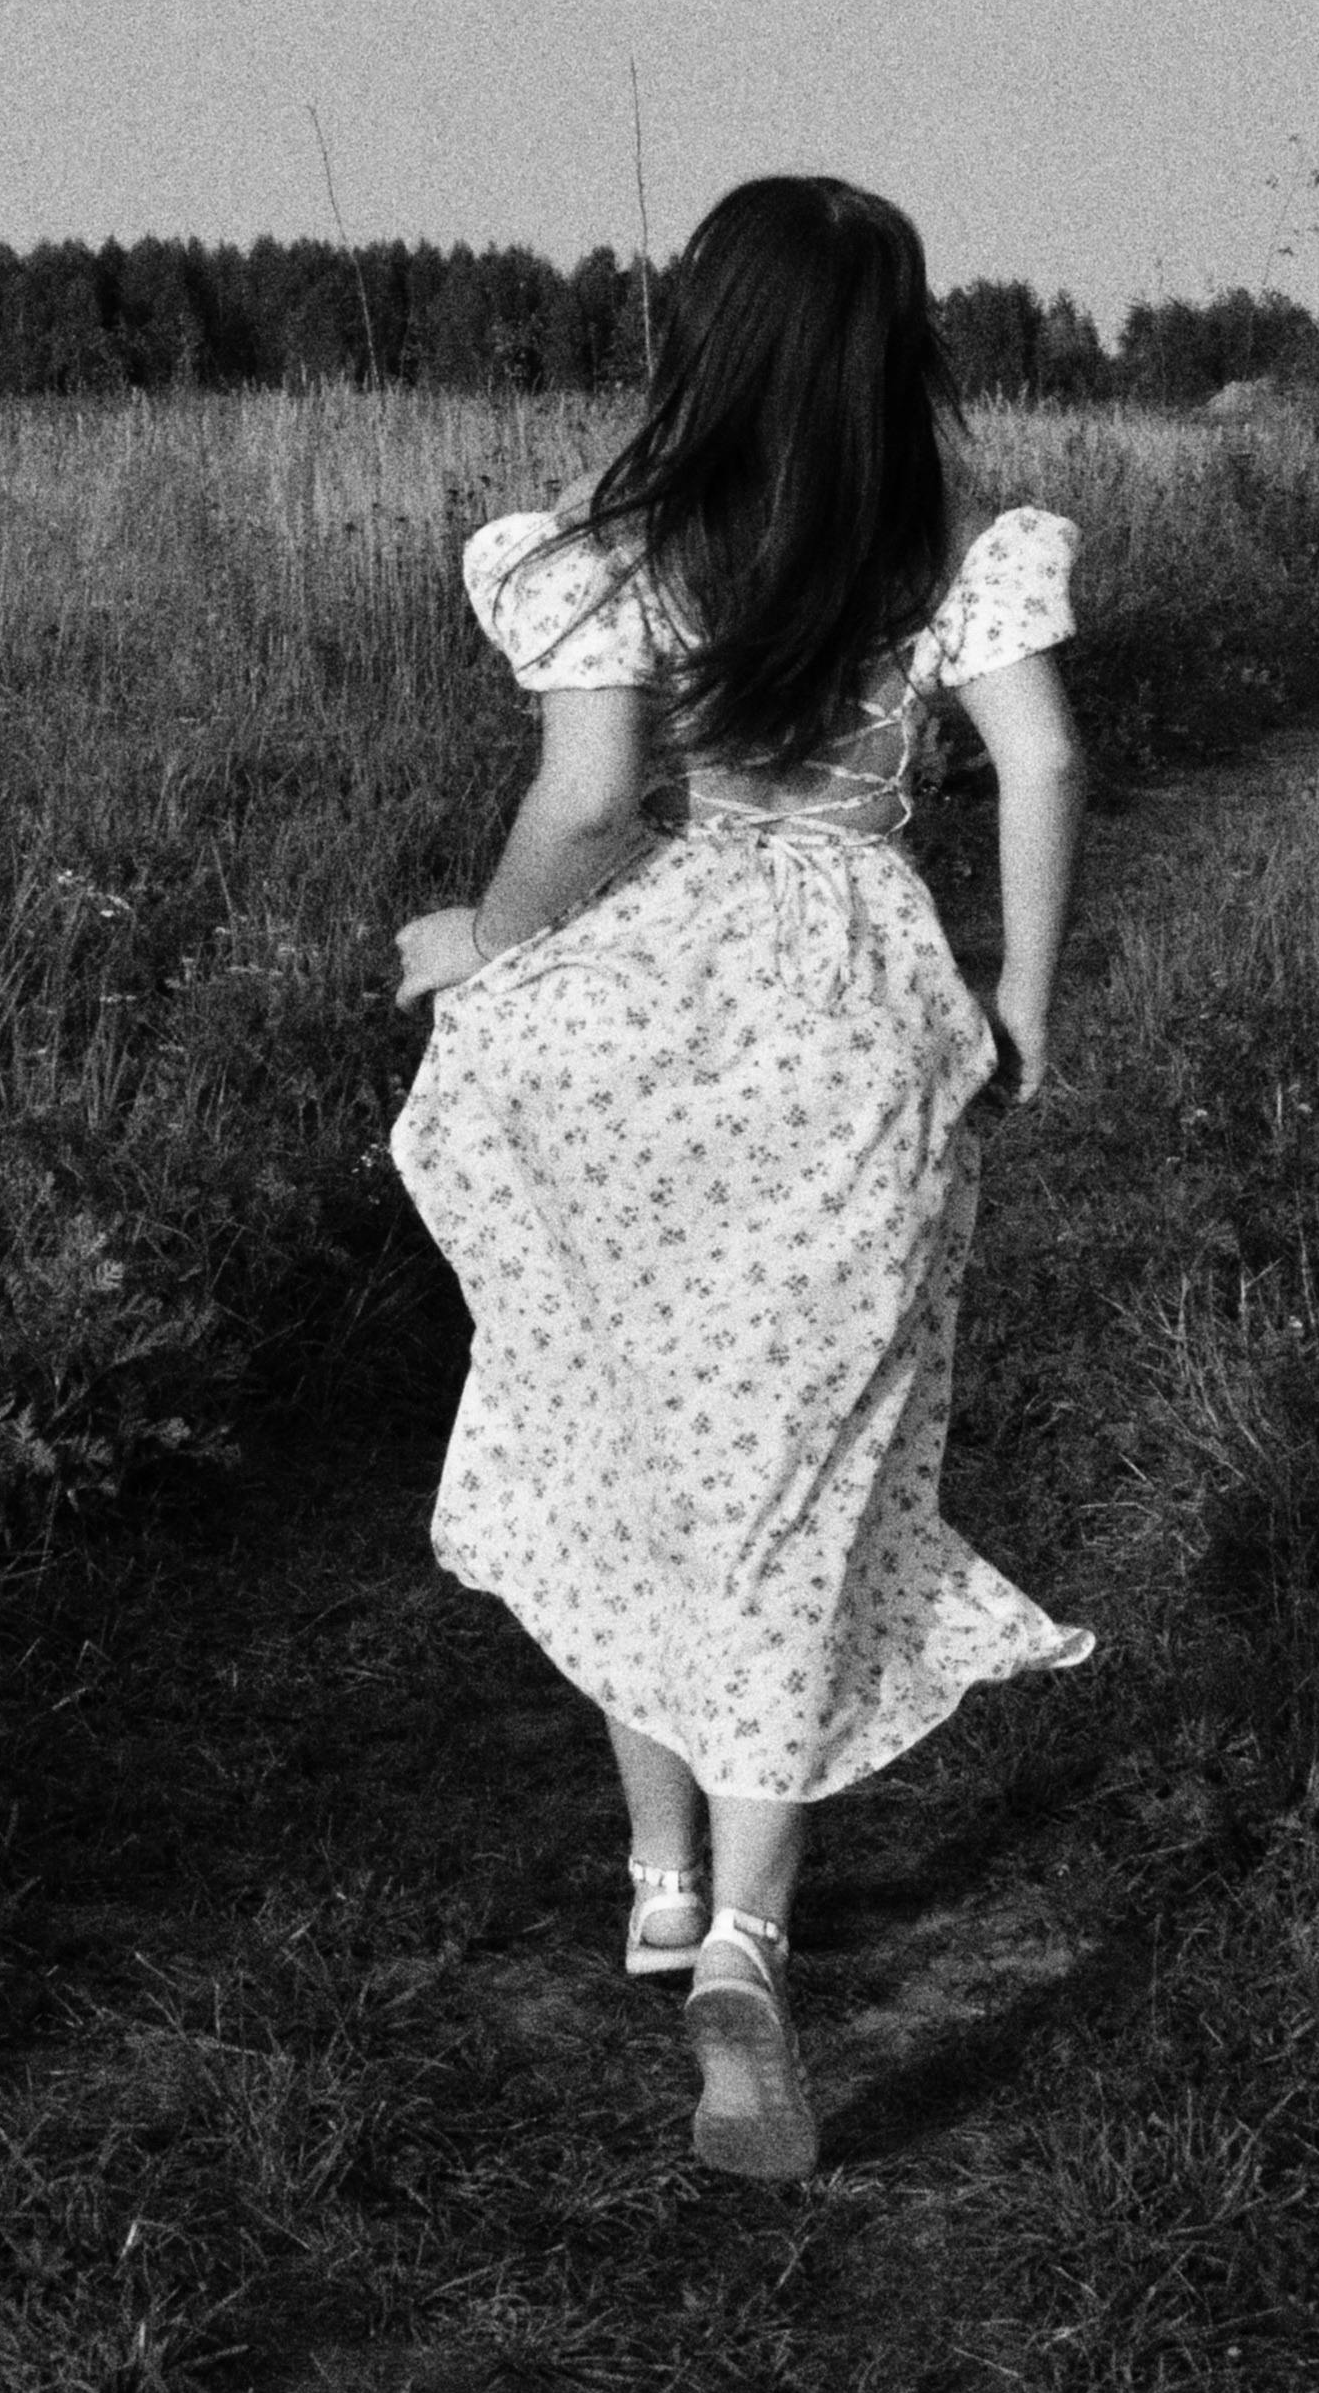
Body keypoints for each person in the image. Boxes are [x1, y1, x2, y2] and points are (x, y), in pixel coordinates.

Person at [389, 173, 1094, 2185]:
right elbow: (1038, 763)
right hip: (862, 1019)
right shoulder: (944, 543)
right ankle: (761, 1949)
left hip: (659, 1011)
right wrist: (1023, 1002)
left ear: (705, 336)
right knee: (809, 1476)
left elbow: (593, 800)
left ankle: (660, 1874)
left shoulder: (632, 546)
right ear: (895, 350)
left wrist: (491, 959)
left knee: (629, 1431)